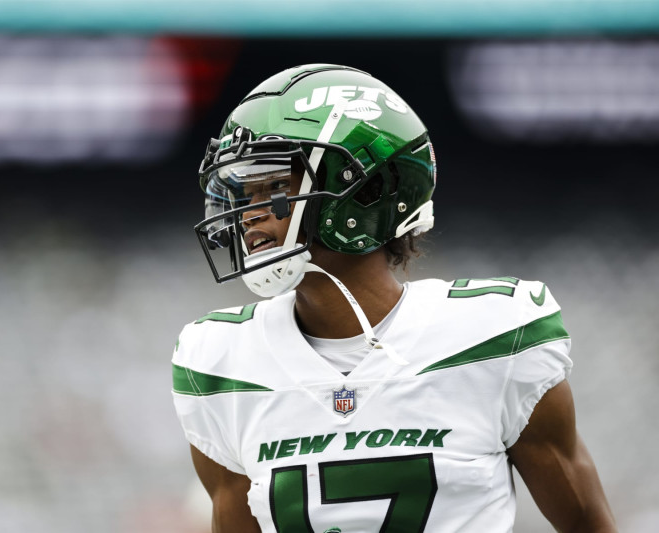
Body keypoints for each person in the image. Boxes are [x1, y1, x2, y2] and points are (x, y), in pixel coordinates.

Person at [171, 64, 616, 532]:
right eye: (241, 190)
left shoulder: (496, 337)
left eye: (272, 187)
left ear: (367, 189)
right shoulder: (218, 362)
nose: (247, 215)